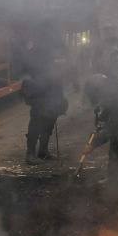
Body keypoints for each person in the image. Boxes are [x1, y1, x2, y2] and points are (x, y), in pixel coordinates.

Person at [21, 37, 69, 165]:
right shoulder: (35, 62)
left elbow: (59, 83)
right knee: (35, 127)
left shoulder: (54, 64)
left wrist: (60, 101)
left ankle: (43, 150)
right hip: (40, 99)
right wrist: (32, 98)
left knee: (48, 126)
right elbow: (28, 81)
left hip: (52, 100)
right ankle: (30, 153)